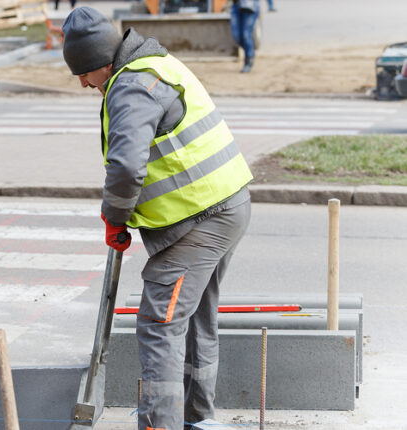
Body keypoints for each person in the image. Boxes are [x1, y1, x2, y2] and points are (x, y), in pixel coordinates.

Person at [61, 7, 253, 430]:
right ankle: (198, 421)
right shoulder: (157, 62)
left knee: (159, 324)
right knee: (196, 316)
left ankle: (159, 424)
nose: (82, 83)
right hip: (227, 205)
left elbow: (127, 167)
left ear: (102, 64)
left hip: (202, 218)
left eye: (84, 74)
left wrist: (114, 215)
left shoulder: (130, 86)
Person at [230, 0, 260, 73]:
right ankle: (250, 51)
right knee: (236, 35)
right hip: (236, 4)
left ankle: (248, 60)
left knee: (246, 35)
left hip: (250, 4)